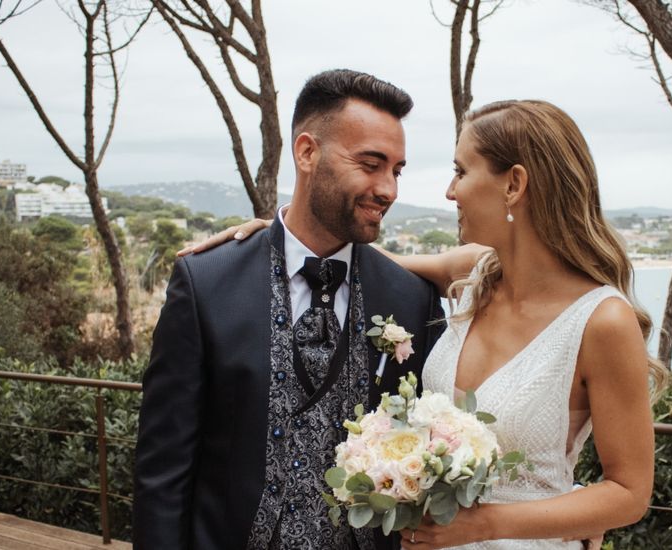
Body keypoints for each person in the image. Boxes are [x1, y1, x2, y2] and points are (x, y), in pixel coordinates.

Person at [210, 99, 665, 549]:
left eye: (462, 172)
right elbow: (367, 261)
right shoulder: (473, 274)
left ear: (514, 185)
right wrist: (278, 236)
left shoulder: (602, 321)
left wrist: (484, 525)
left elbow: (628, 494)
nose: (450, 191)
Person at [133, 69, 446, 550]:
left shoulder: (411, 297)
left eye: (397, 170)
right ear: (306, 152)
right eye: (370, 164)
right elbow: (163, 470)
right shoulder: (206, 284)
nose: (389, 189)